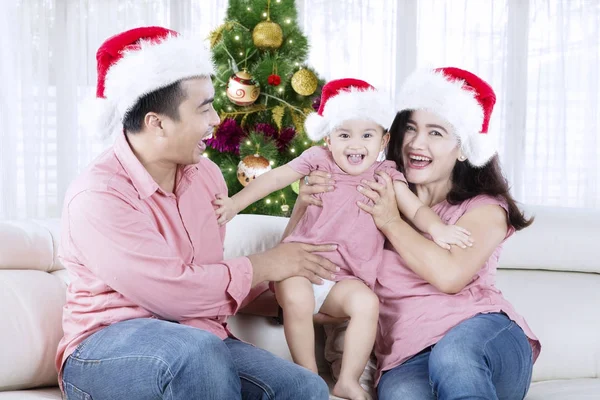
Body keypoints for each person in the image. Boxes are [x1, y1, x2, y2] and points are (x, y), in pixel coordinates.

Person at [55, 26, 339, 400]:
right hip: (107, 346)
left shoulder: (206, 177)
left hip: (199, 336)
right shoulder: (99, 195)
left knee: (304, 387)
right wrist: (266, 264)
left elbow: (207, 280)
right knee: (196, 354)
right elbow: (172, 292)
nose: (217, 119)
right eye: (204, 107)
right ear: (156, 121)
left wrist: (295, 287)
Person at [215, 78, 473, 400]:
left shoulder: (386, 174)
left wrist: (439, 229)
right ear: (329, 138)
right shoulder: (318, 160)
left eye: (367, 135)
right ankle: (306, 373)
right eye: (345, 134)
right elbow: (275, 178)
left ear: (383, 140)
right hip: (301, 266)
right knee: (297, 298)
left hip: (345, 278)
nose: (355, 144)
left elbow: (416, 209)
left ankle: (347, 380)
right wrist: (236, 203)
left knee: (367, 303)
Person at [298, 67, 542, 399]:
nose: (416, 142)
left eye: (436, 132)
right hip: (404, 358)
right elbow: (308, 275)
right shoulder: (370, 199)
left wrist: (391, 222)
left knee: (453, 358)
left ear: (463, 148)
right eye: (410, 128)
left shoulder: (485, 208)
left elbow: (449, 274)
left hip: (482, 335)